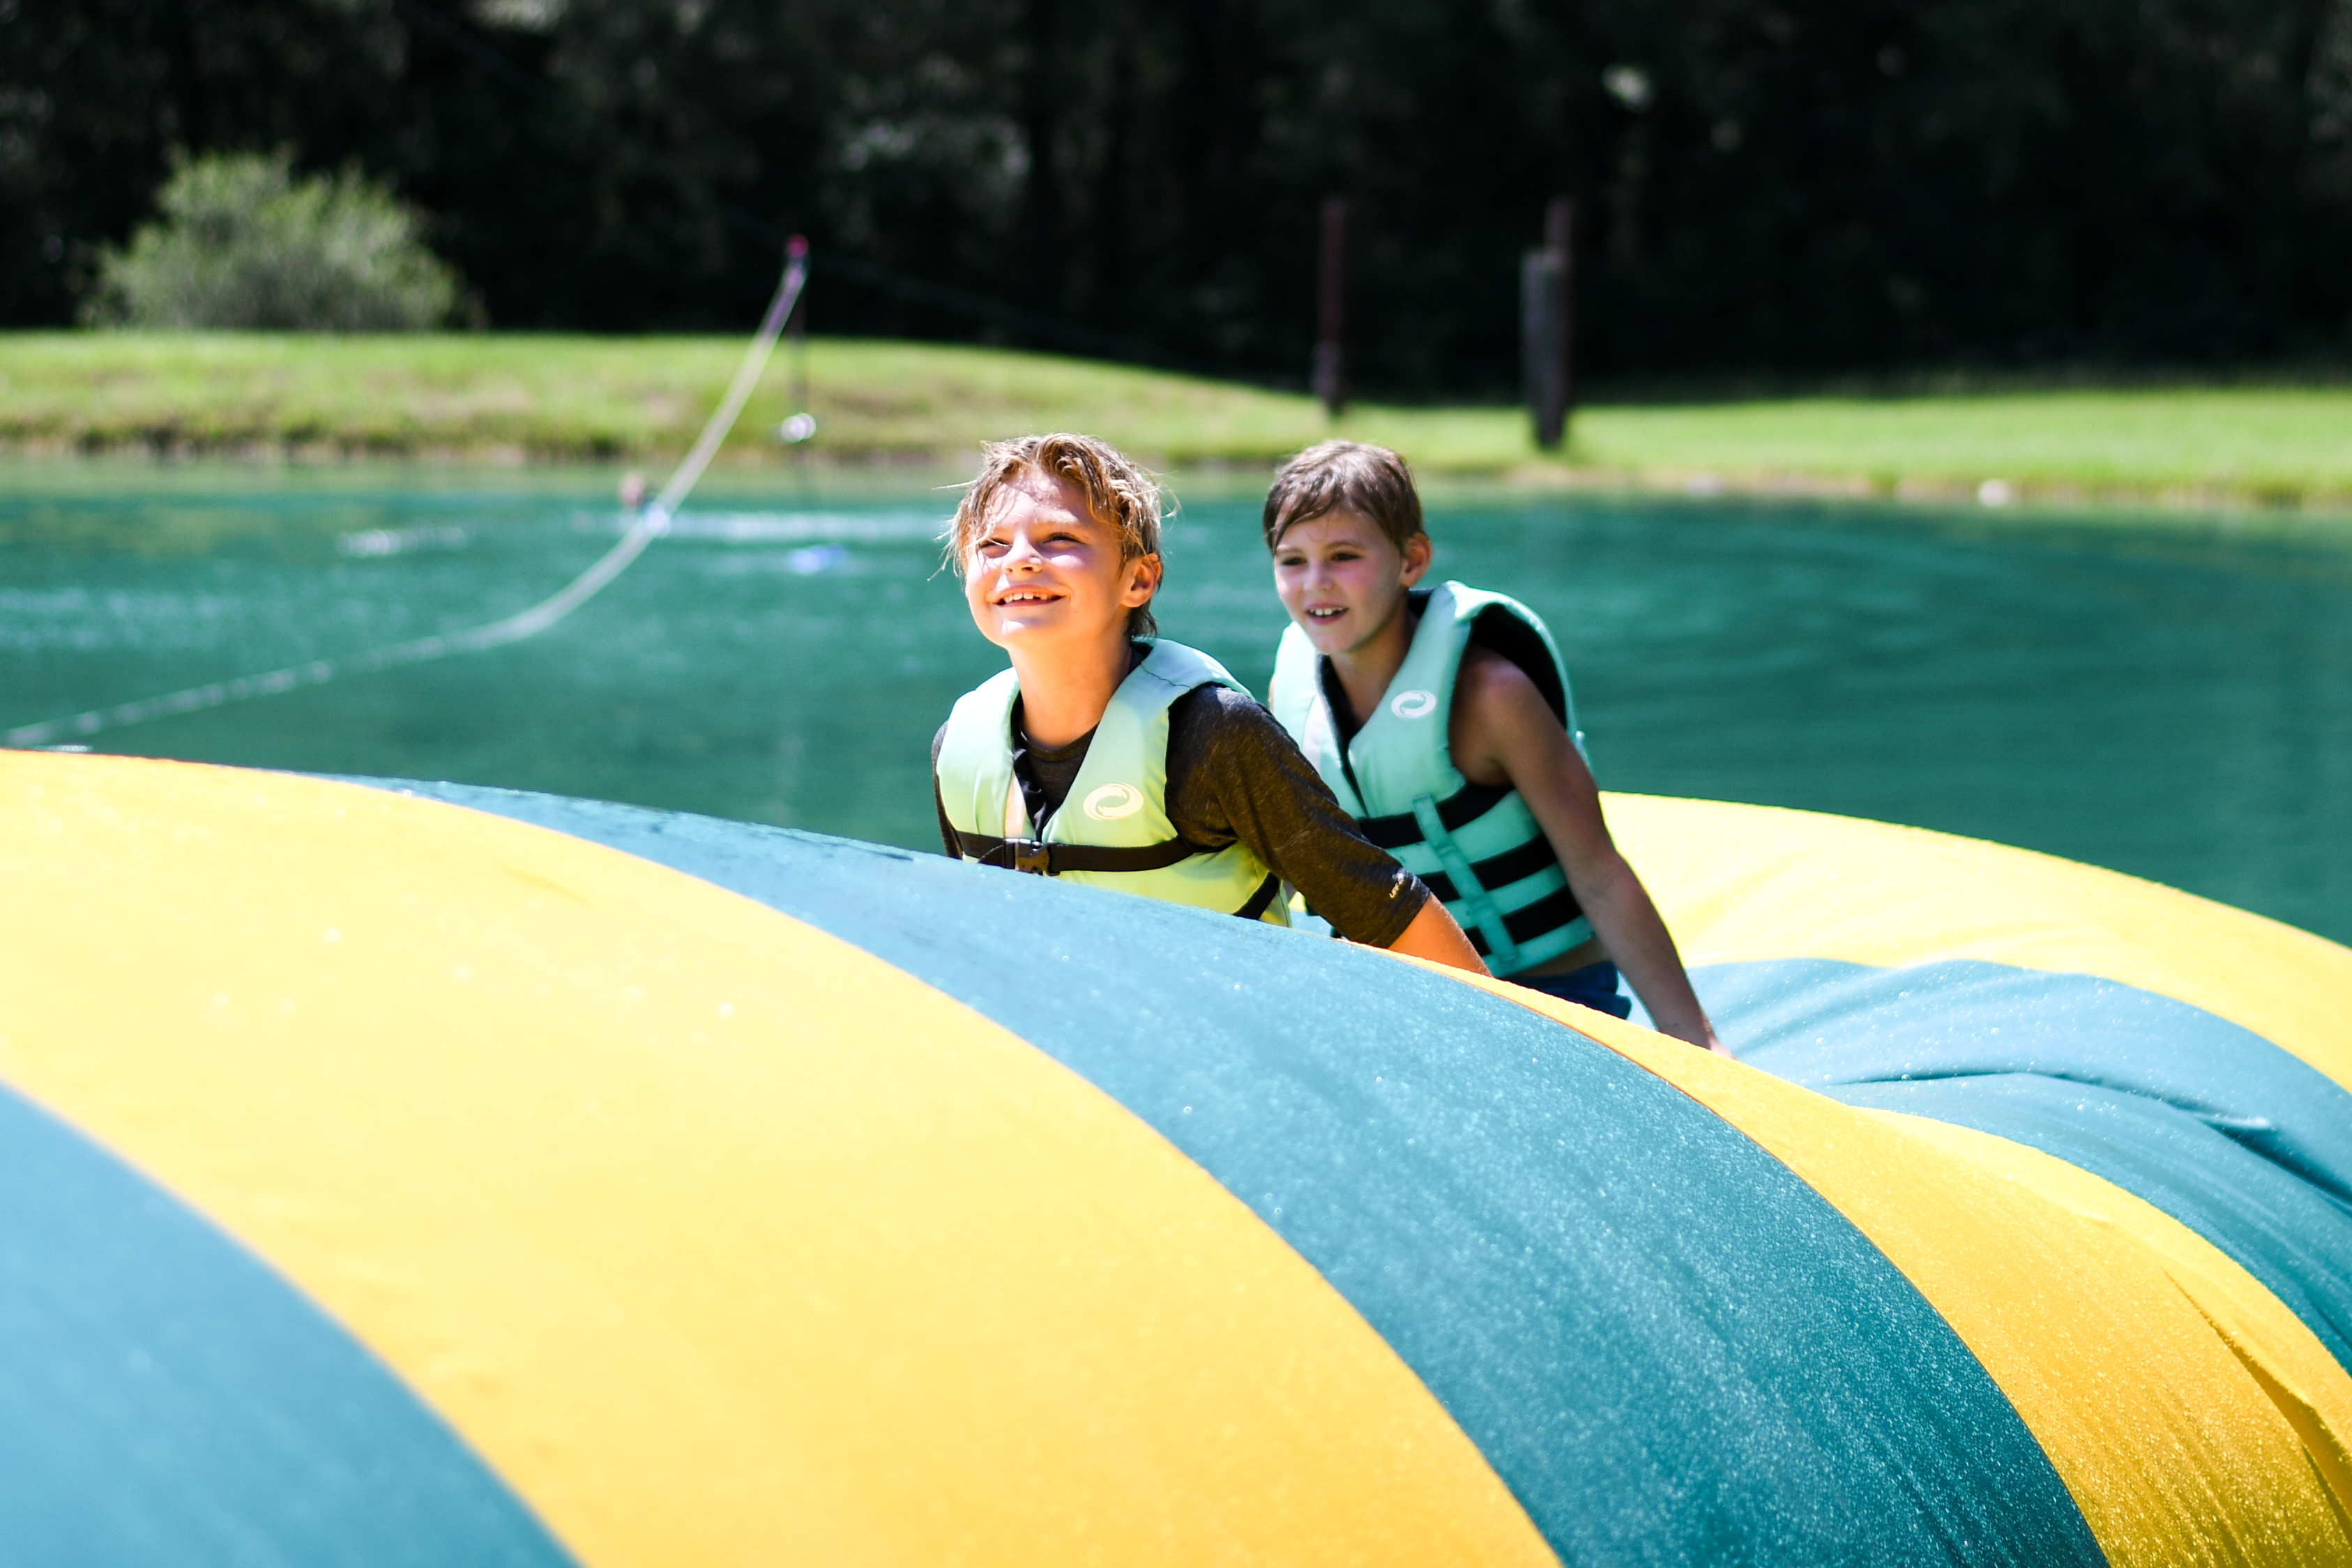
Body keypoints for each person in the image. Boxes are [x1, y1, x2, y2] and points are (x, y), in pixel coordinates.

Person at [932, 432, 1487, 975]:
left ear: (1139, 579)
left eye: (1059, 538)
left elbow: (1383, 908)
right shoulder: (958, 748)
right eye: (991, 544)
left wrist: (1508, 1027)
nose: (1019, 560)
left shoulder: (1212, 733)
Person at [1262, 440, 1728, 1053]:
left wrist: (1695, 1040)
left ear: (1411, 560)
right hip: (1397, 994)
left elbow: (1598, 873)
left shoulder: (1490, 695)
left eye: (1344, 556)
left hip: (1549, 993)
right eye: (1292, 561)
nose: (1315, 583)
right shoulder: (1294, 695)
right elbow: (1286, 874)